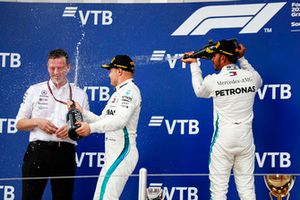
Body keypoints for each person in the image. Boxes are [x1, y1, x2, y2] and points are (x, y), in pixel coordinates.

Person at [182, 40, 262, 200]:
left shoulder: (214, 80)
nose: (212, 59)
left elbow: (199, 91)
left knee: (218, 192)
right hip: (245, 140)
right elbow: (259, 81)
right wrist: (242, 58)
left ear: (223, 58)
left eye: (214, 56)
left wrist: (194, 64)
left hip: (224, 140)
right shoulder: (251, 77)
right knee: (247, 190)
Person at [16, 49, 89, 200]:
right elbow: (19, 123)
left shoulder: (79, 94)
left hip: (65, 152)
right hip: (37, 151)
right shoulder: (35, 90)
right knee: (30, 197)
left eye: (60, 68)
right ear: (47, 66)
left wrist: (71, 130)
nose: (56, 72)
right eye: (52, 68)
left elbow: (85, 129)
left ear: (68, 67)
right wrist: (38, 122)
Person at [71, 55, 142, 200]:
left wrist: (90, 128)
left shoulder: (129, 91)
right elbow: (103, 120)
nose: (109, 74)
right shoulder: (118, 93)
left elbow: (120, 121)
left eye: (110, 70)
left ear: (120, 71)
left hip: (122, 152)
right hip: (114, 154)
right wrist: (81, 112)